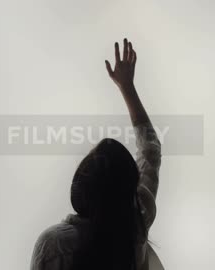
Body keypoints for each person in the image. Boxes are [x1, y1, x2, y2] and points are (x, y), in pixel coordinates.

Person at [30, 38, 164, 270]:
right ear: (128, 187)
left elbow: (151, 151)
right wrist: (127, 88)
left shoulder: (54, 244)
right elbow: (150, 150)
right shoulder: (136, 226)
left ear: (81, 188)